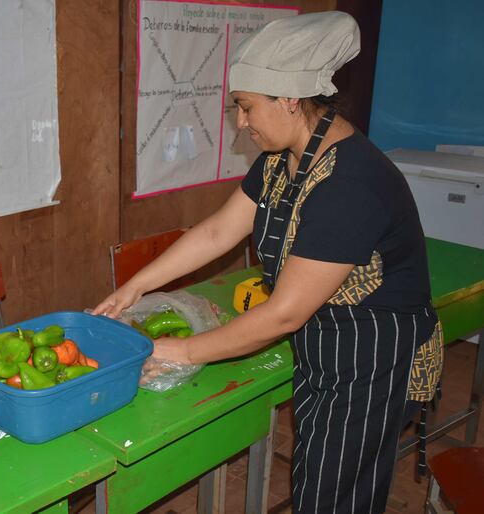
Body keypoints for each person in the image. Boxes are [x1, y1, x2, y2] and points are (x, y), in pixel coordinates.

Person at [93, 11, 443, 514]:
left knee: (332, 499)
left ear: (289, 99)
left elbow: (284, 314)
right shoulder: (284, 158)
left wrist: (181, 351)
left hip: (371, 359)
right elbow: (218, 231)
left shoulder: (350, 185)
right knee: (320, 483)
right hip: (327, 340)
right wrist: (135, 287)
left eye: (246, 107)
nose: (241, 122)